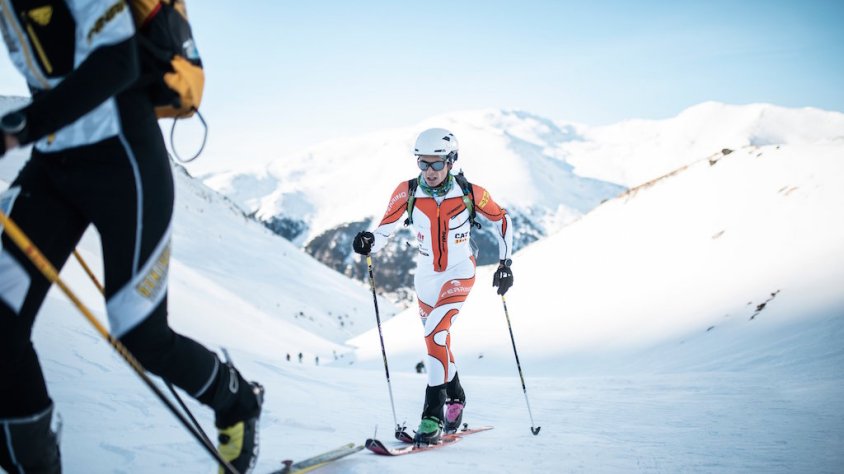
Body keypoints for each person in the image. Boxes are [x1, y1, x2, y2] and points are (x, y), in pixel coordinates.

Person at [0, 2, 261, 472]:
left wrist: (20, 128)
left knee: (140, 334)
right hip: (53, 162)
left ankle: (237, 401)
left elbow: (119, 61)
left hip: (123, 160)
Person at [352, 128, 514, 445]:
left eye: (436, 164)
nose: (429, 171)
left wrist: (505, 264)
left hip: (460, 272)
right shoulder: (408, 192)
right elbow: (384, 229)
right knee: (438, 344)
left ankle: (432, 416)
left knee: (434, 335)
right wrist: (370, 241)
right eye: (422, 163)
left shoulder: (470, 193)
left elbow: (502, 220)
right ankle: (457, 396)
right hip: (425, 278)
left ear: (451, 161)